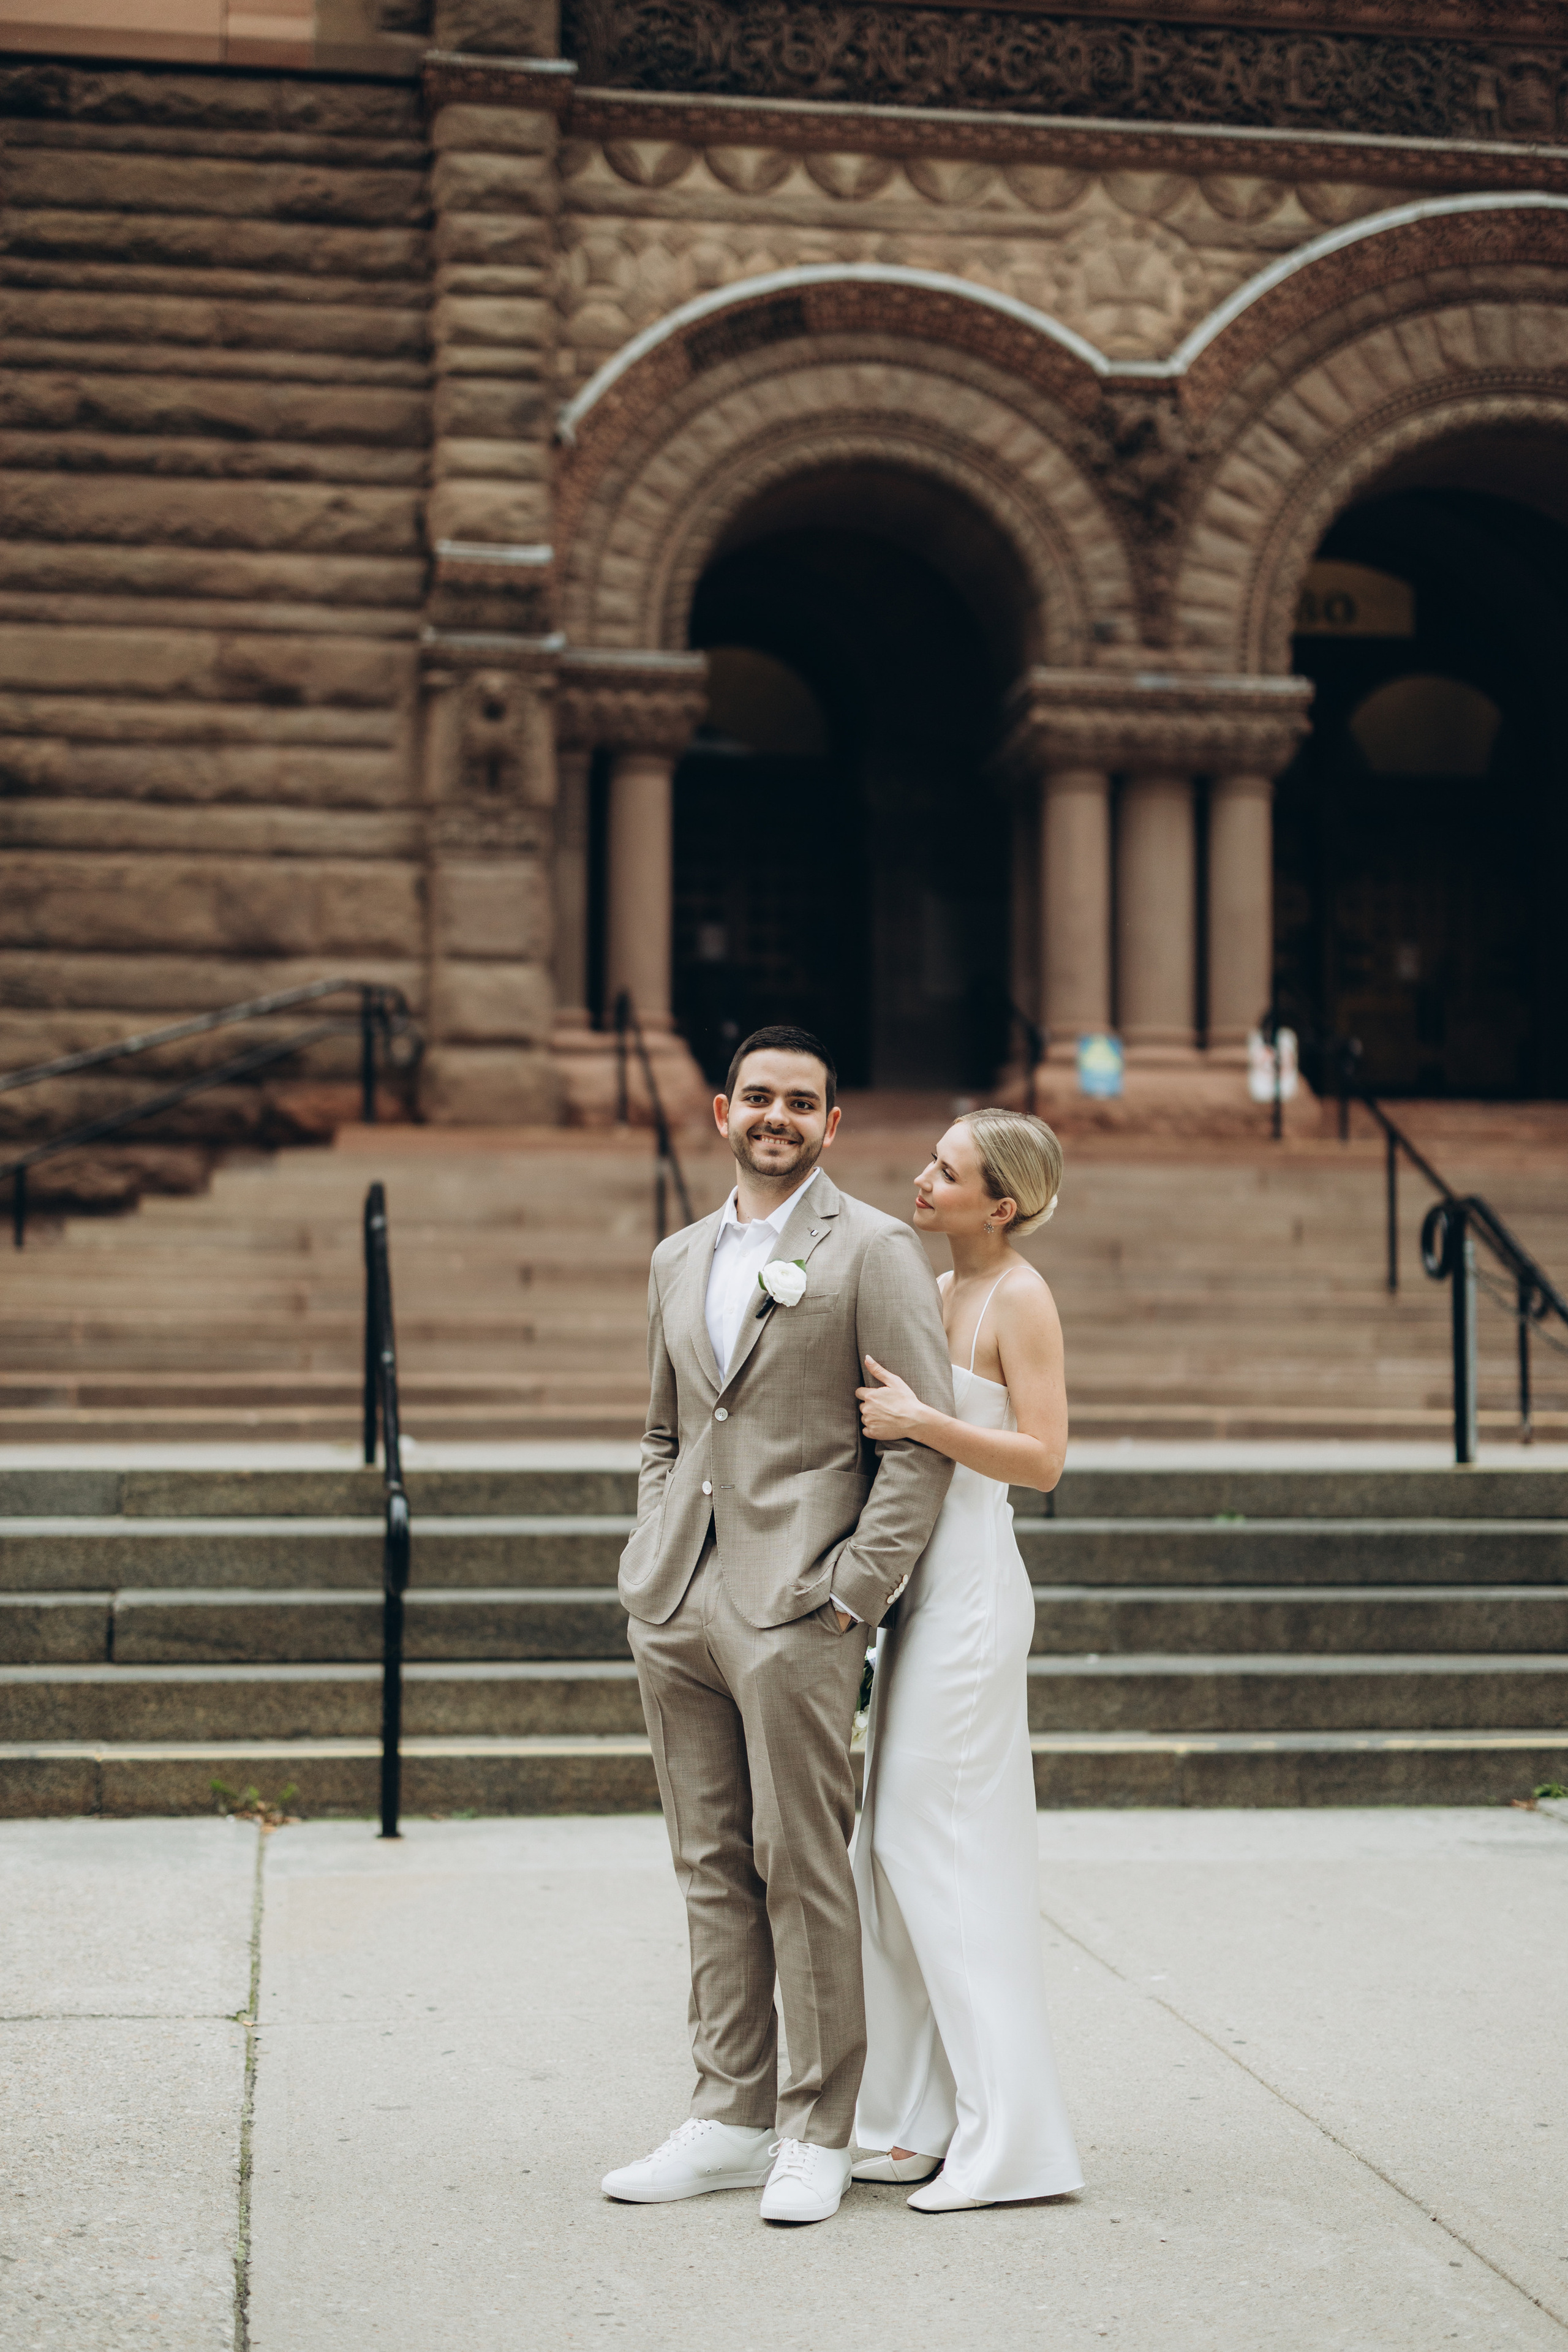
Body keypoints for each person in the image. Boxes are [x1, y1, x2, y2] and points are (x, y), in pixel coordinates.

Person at [601, 1025, 956, 2226]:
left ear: (830, 1124)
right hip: (676, 1601)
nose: (776, 1117)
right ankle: (725, 2114)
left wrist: (855, 1589)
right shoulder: (675, 1257)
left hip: (800, 1602)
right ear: (719, 1111)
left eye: (800, 1103)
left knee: (798, 1863)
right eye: (757, 1097)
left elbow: (912, 1445)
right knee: (706, 1864)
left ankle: (817, 2124)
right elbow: (665, 1433)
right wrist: (651, 1551)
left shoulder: (873, 1250)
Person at [850, 1107, 1084, 2213]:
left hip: (976, 1597)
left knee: (923, 1847)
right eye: (929, 1161)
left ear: (1002, 1203)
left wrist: (920, 1422)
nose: (921, 1177)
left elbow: (1041, 1460)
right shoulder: (939, 1291)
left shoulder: (1021, 1297)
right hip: (919, 1594)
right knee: (888, 1863)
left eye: (947, 1171)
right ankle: (909, 2123)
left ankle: (1012, 2145)